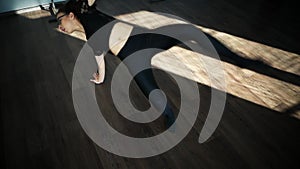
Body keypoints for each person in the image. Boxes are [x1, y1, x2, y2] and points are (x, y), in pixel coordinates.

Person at [56, 0, 177, 128]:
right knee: (152, 93)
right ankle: (169, 114)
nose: (59, 26)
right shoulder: (90, 37)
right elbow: (99, 58)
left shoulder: (88, 11)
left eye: (59, 20)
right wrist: (101, 78)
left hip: (145, 40)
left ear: (71, 15)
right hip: (133, 59)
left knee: (184, 34)